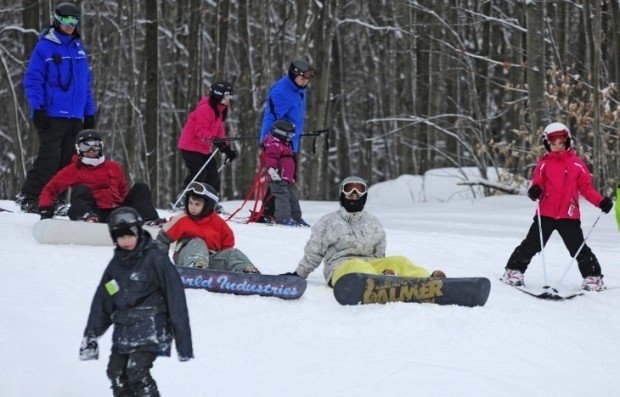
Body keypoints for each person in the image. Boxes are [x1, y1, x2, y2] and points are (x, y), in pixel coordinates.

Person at [79, 207, 193, 396]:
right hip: (124, 330)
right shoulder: (116, 265)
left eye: (129, 235)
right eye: (120, 237)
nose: (125, 241)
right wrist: (91, 336)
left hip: (151, 328)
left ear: (139, 232)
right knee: (115, 373)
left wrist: (184, 343)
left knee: (136, 371)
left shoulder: (156, 259)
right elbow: (103, 302)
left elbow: (176, 299)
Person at [501, 122, 613, 291]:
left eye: (561, 143)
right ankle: (514, 271)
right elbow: (537, 184)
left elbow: (586, 188)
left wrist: (600, 201)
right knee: (532, 244)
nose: (557, 147)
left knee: (578, 248)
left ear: (567, 142)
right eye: (553, 144)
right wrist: (534, 191)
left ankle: (593, 277)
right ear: (547, 144)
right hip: (546, 214)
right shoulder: (544, 164)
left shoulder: (577, 164)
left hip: (569, 216)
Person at [281, 176, 445, 286]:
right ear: (342, 194)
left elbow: (380, 253)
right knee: (357, 265)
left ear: (365, 195)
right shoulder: (328, 222)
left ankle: (427, 282)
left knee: (400, 261)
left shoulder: (373, 222)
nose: (354, 194)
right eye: (349, 190)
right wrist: (299, 274)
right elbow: (313, 253)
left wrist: (386, 266)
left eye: (359, 190)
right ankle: (381, 282)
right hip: (340, 270)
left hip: (372, 266)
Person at [17, 2, 96, 213]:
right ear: (57, 20)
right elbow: (33, 80)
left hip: (75, 116)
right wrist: (38, 109)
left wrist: (89, 113)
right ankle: (30, 196)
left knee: (67, 160)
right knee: (49, 157)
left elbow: (84, 85)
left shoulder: (79, 49)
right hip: (52, 113)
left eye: (74, 21)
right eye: (66, 21)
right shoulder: (45, 47)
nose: (70, 25)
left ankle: (55, 199)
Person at [38, 129, 164, 225]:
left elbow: (123, 192)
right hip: (94, 211)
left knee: (140, 187)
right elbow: (50, 189)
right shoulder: (73, 169)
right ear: (78, 149)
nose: (91, 150)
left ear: (101, 147)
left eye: (95, 145)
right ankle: (87, 218)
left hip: (116, 211)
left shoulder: (114, 167)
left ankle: (150, 221)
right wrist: (45, 209)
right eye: (85, 146)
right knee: (81, 190)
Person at [155, 182, 260, 274]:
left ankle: (247, 273)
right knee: (198, 242)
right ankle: (196, 267)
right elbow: (162, 239)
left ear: (208, 206)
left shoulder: (219, 224)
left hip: (211, 261)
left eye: (197, 204)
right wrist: (161, 263)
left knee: (233, 253)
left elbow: (227, 248)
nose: (192, 207)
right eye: (190, 203)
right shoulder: (182, 219)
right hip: (186, 257)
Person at [258, 60, 314, 221]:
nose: (305, 82)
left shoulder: (299, 88)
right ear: (293, 75)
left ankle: (272, 212)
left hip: (290, 140)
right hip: (278, 142)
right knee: (280, 179)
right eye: (302, 78)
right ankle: (272, 214)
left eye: (307, 79)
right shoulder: (282, 91)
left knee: (287, 177)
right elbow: (271, 117)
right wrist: (267, 141)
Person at [178, 81, 237, 196]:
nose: (229, 99)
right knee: (199, 173)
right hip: (190, 146)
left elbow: (220, 134)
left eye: (230, 96)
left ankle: (211, 201)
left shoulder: (219, 111)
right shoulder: (205, 109)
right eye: (227, 96)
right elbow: (200, 130)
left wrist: (227, 149)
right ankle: (185, 197)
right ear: (219, 94)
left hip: (203, 148)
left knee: (213, 175)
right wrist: (214, 140)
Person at [263, 120, 307, 226]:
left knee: (292, 198)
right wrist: (273, 172)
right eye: (290, 134)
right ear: (281, 133)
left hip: (286, 179)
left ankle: (296, 218)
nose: (291, 137)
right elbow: (271, 159)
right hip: (278, 178)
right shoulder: (274, 144)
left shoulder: (283, 145)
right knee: (283, 197)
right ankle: (282, 219)